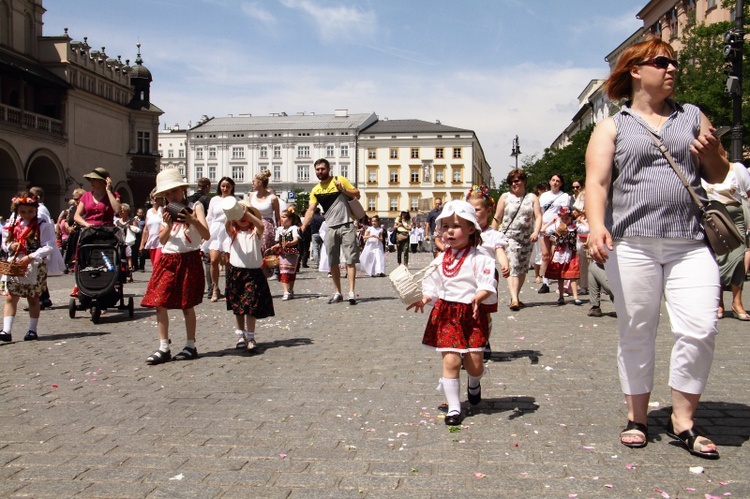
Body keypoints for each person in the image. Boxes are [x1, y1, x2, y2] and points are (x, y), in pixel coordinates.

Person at [586, 38, 727, 458]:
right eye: (662, 61)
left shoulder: (692, 117)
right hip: (633, 244)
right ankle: (638, 417)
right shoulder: (612, 125)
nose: (671, 69)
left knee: (700, 327)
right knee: (637, 330)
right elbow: (597, 183)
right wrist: (596, 227)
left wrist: (714, 152)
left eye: (673, 63)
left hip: (690, 242)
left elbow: (717, 174)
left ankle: (683, 419)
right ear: (635, 70)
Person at [406, 200, 497, 426]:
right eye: (445, 226)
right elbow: (433, 285)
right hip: (446, 314)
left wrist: (479, 296)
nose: (450, 231)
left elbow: (488, 285)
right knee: (451, 361)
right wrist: (425, 298)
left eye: (456, 226)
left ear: (470, 229)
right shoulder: (441, 259)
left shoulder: (481, 258)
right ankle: (454, 408)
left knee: (475, 363)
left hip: (471, 315)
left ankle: (474, 383)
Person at [141, 168, 210, 365]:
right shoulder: (167, 210)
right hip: (169, 258)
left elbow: (206, 235)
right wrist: (169, 225)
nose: (171, 196)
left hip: (188, 258)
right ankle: (163, 346)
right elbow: (162, 240)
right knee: (159, 301)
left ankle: (190, 345)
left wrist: (192, 220)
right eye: (167, 193)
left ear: (182, 189)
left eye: (174, 191)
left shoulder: (195, 206)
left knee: (186, 304)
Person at [0, 192, 64, 342]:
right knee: (11, 297)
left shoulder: (43, 224)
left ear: (36, 209)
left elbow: (49, 246)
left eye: (30, 211)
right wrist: (11, 245)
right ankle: (6, 331)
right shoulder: (13, 223)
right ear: (17, 210)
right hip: (15, 263)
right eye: (22, 212)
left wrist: (31, 256)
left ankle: (32, 330)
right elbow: (5, 243)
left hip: (33, 263)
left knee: (33, 298)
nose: (26, 215)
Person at [300, 158, 361, 305]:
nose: (320, 171)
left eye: (322, 169)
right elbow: (311, 210)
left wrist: (343, 190)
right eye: (317, 169)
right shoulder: (316, 190)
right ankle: (338, 292)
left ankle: (351, 292)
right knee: (332, 261)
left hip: (346, 225)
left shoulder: (339, 180)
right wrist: (302, 227)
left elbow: (357, 194)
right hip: (331, 227)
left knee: (350, 259)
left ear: (328, 169)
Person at [701, 162, 750, 320]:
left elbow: (748, 193)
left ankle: (737, 303)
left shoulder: (737, 168)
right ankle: (719, 303)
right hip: (714, 216)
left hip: (736, 216)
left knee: (739, 257)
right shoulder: (702, 168)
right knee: (718, 258)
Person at [224, 200, 274, 352]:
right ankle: (240, 336)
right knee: (238, 307)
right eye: (240, 217)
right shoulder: (234, 233)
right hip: (236, 273)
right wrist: (232, 214)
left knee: (251, 306)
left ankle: (251, 336)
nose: (243, 219)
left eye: (246, 216)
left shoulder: (255, 233)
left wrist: (246, 213)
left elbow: (260, 225)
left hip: (253, 273)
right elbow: (227, 226)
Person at [491, 169, 543, 310]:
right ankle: (514, 298)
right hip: (509, 237)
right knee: (512, 265)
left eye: (517, 180)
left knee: (522, 269)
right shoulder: (505, 197)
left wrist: (536, 231)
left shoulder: (532, 197)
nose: (514, 183)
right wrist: (491, 234)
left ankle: (516, 295)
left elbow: (538, 216)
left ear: (524, 181)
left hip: (527, 237)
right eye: (512, 181)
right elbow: (498, 216)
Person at [71, 168, 121, 298]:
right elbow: (77, 215)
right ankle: (84, 286)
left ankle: (108, 286)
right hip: (89, 232)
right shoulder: (86, 196)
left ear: (103, 181)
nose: (91, 182)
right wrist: (86, 224)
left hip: (107, 232)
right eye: (91, 179)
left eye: (95, 179)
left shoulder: (112, 195)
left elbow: (117, 210)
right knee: (85, 258)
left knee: (107, 259)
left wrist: (109, 191)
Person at [542, 206, 587, 306]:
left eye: (567, 218)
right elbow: (543, 230)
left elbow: (587, 229)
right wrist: (551, 222)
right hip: (560, 253)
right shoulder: (557, 226)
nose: (564, 220)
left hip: (570, 252)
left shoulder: (574, 226)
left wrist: (582, 221)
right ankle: (561, 296)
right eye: (562, 218)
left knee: (573, 276)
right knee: (560, 276)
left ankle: (575, 297)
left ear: (571, 217)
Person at [538, 173, 571, 294]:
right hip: (544, 227)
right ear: (550, 181)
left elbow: (564, 213)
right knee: (545, 255)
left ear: (561, 183)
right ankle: (545, 282)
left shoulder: (564, 196)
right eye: (553, 180)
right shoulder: (544, 196)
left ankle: (560, 282)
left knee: (555, 254)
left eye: (558, 181)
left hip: (556, 227)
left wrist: (561, 226)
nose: (555, 182)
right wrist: (540, 226)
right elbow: (540, 213)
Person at [203, 177, 235, 302]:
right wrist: (205, 233)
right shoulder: (214, 200)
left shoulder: (235, 200)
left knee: (228, 262)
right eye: (223, 186)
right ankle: (215, 288)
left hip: (229, 230)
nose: (225, 188)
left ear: (232, 187)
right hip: (215, 230)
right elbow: (209, 217)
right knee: (214, 260)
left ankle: (229, 288)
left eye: (227, 186)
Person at [186, 177, 212, 295]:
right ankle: (210, 288)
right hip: (203, 230)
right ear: (207, 187)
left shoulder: (188, 199)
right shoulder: (207, 199)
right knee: (207, 261)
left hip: (188, 232)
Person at [271, 208, 300, 301]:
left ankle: (290, 289)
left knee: (291, 273)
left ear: (290, 219)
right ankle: (285, 291)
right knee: (283, 271)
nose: (281, 219)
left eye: (284, 217)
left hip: (292, 253)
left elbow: (296, 239)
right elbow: (280, 242)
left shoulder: (294, 228)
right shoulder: (279, 230)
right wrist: (275, 246)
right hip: (282, 254)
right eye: (281, 217)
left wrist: (290, 243)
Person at [248, 170, 281, 253]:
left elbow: (278, 217)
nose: (252, 184)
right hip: (253, 224)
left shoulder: (273, 198)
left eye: (253, 182)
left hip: (267, 226)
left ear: (259, 183)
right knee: (252, 249)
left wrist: (279, 232)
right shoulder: (252, 195)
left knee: (264, 250)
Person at [571, 179, 589, 294]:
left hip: (593, 226)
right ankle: (584, 285)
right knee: (583, 260)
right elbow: (576, 211)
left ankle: (599, 285)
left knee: (595, 261)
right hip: (584, 227)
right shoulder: (582, 195)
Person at [114, 203, 140, 282]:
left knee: (129, 258)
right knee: (120, 258)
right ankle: (121, 274)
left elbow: (137, 230)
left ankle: (130, 274)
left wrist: (130, 227)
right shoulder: (117, 221)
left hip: (129, 242)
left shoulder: (132, 220)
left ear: (126, 211)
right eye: (120, 211)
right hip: (120, 242)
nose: (120, 213)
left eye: (122, 211)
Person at [139, 190, 164, 271]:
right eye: (154, 198)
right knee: (155, 266)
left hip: (161, 242)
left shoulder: (163, 210)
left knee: (157, 264)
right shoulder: (149, 212)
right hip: (152, 242)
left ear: (161, 199)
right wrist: (142, 244)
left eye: (158, 198)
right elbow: (146, 229)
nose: (155, 199)